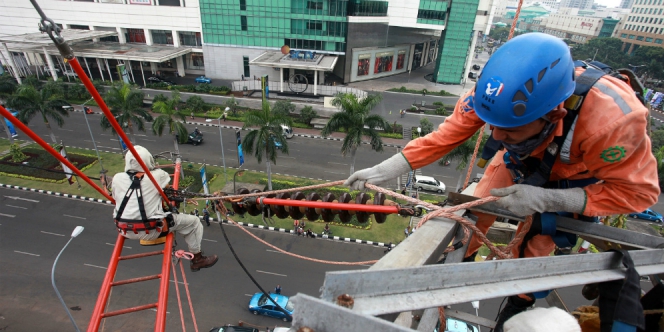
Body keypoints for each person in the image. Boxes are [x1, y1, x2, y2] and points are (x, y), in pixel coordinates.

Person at [343, 33, 658, 331]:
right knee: (472, 218)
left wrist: (551, 200)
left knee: (536, 248)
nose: (495, 135)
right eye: (492, 127)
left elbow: (639, 192)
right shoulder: (496, 97)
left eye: (508, 131)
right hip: (519, 162)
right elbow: (444, 137)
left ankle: (517, 305)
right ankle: (454, 269)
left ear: (554, 114)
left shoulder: (613, 124)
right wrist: (389, 168)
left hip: (574, 180)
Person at [112, 146, 218, 272]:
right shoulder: (157, 176)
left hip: (124, 230)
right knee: (194, 222)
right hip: (151, 230)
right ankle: (197, 259)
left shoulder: (117, 178)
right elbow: (169, 191)